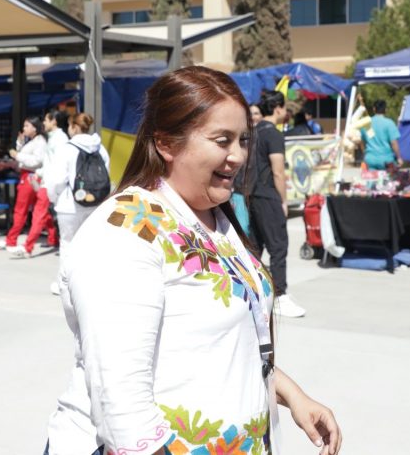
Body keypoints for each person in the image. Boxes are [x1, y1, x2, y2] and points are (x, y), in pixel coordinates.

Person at [45, 66, 341, 455]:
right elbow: (121, 402)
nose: (238, 156)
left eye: (243, 140)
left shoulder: (215, 218)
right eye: (222, 140)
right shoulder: (124, 232)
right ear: (166, 143)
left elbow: (227, 343)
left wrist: (291, 394)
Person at [250, 90, 305, 318]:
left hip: (251, 195)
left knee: (255, 247)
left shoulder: (253, 131)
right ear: (278, 108)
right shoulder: (273, 134)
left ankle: (253, 292)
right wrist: (283, 201)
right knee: (278, 247)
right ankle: (280, 295)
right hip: (268, 195)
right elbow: (278, 172)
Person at [44, 111, 110, 257]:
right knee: (90, 247)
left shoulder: (66, 149)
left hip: (69, 206)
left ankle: (67, 274)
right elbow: (106, 175)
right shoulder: (100, 148)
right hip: (95, 203)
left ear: (74, 127)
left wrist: (54, 198)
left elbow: (57, 180)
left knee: (68, 244)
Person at [0, 116, 57, 257]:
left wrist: (17, 155)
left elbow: (37, 161)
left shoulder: (40, 142)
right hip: (32, 177)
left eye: (27, 126)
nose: (24, 128)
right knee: (41, 211)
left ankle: (11, 240)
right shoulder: (34, 141)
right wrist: (20, 144)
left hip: (30, 177)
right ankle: (53, 238)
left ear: (34, 128)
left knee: (21, 209)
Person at [361, 99, 402, 170]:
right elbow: (394, 143)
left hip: (370, 159)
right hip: (386, 160)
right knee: (388, 177)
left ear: (374, 109)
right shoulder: (389, 123)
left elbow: (362, 142)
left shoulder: (367, 123)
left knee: (371, 177)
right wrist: (399, 157)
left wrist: (365, 154)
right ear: (385, 110)